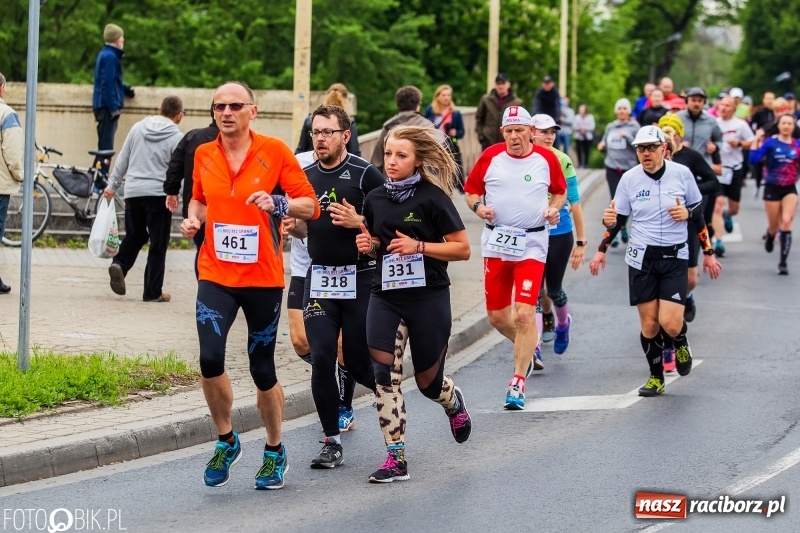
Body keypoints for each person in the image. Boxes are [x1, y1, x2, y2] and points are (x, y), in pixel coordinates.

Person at [181, 81, 320, 490]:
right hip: (215, 274)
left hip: (262, 277)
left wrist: (277, 203)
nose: (226, 112)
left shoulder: (275, 152)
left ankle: (275, 449)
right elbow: (200, 201)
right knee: (209, 358)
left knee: (262, 368)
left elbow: (310, 205)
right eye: (218, 106)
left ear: (252, 111)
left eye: (235, 105)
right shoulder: (203, 153)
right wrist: (194, 220)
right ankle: (226, 439)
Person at [356, 125, 472, 482]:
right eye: (388, 154)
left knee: (427, 383)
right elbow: (379, 241)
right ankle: (396, 458)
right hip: (386, 296)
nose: (391, 161)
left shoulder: (433, 198)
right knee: (383, 376)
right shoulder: (375, 197)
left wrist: (419, 247)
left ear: (418, 160)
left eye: (401, 155)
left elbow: (462, 248)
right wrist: (369, 245)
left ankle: (452, 401)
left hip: (429, 297)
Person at [589, 125, 721, 397]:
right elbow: (617, 217)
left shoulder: (682, 174)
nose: (645, 153)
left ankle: (681, 341)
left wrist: (707, 251)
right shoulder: (629, 179)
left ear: (664, 149)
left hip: (674, 255)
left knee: (671, 324)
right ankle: (656, 377)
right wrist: (601, 248)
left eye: (650, 147)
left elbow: (698, 212)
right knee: (649, 325)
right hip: (641, 258)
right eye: (640, 148)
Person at [285, 105, 384, 469]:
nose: (320, 138)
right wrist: (291, 226)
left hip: (360, 279)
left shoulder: (365, 175)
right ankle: (331, 441)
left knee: (359, 363)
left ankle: (390, 396)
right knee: (322, 356)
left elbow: (386, 231)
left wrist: (361, 224)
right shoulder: (304, 176)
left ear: (345, 135)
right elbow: (306, 228)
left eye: (328, 132)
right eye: (315, 132)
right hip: (320, 279)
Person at [464, 106, 566, 410]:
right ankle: (527, 345)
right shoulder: (491, 156)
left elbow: (559, 192)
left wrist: (553, 209)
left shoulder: (547, 158)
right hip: (496, 243)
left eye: (519, 130)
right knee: (497, 317)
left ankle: (518, 382)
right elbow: (470, 192)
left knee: (523, 314)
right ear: (502, 133)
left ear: (530, 131)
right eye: (508, 131)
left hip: (532, 243)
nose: (514, 137)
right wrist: (478, 209)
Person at [104, 96, 184, 302]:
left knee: (136, 234)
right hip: (160, 194)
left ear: (159, 109)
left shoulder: (137, 128)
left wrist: (112, 186)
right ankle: (152, 292)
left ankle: (120, 264)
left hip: (134, 191)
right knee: (158, 243)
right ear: (179, 116)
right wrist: (177, 193)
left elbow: (123, 158)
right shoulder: (177, 138)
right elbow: (178, 170)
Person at [658, 114, 720, 346]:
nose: (668, 138)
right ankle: (670, 326)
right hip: (661, 231)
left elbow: (713, 182)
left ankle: (687, 296)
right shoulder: (649, 162)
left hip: (689, 223)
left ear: (679, 136)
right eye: (664, 133)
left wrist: (690, 190)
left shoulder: (690, 158)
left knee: (691, 279)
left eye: (672, 133)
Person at [530, 114, 586, 355]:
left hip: (560, 233)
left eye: (552, 132)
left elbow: (574, 202)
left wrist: (582, 241)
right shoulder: (523, 158)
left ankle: (563, 324)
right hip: (531, 233)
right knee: (533, 293)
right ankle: (535, 346)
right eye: (544, 131)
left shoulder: (563, 160)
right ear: (531, 132)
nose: (549, 136)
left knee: (553, 290)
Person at [164, 107, 220, 266]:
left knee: (202, 249)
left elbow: (175, 165)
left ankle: (205, 287)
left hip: (194, 205)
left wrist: (172, 191)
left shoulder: (193, 136)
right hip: (223, 206)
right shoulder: (239, 140)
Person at [749, 114, 800, 275]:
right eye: (783, 123)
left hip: (790, 188)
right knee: (774, 227)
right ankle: (770, 235)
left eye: (789, 123)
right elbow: (753, 160)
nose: (786, 126)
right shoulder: (770, 143)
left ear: (793, 126)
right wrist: (756, 141)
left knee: (786, 222)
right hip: (772, 188)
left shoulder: (797, 144)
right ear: (779, 125)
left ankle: (783, 263)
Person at [92, 23, 134, 183]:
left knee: (103, 146)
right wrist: (113, 108)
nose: (123, 39)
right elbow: (107, 84)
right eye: (121, 37)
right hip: (107, 108)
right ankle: (99, 182)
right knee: (106, 148)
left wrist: (125, 90)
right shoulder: (110, 57)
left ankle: (96, 179)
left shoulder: (106, 55)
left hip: (102, 106)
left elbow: (112, 81)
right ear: (116, 40)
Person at [713, 96, 754, 256]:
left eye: (727, 105)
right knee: (717, 204)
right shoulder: (713, 123)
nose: (723, 108)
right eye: (722, 104)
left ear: (733, 108)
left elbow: (752, 141)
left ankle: (728, 215)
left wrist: (740, 144)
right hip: (718, 169)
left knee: (734, 208)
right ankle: (719, 241)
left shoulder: (740, 125)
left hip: (735, 168)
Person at [597, 98, 640, 247]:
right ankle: (614, 230)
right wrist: (602, 145)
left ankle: (622, 226)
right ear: (616, 111)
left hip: (629, 168)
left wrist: (626, 136)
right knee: (614, 200)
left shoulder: (634, 126)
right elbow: (605, 140)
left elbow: (638, 145)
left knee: (626, 201)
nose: (622, 111)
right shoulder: (610, 126)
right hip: (612, 167)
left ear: (628, 111)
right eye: (619, 108)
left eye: (624, 108)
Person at [370, 86, 433, 174]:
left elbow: (377, 161)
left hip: (391, 182)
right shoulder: (426, 126)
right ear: (418, 104)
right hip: (420, 182)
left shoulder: (388, 126)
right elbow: (432, 161)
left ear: (398, 104)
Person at [0, 72, 23, 294]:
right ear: (1, 88)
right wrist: (20, 175)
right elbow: (13, 153)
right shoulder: (7, 114)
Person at [296, 83, 360, 157]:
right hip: (338, 165)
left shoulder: (310, 120)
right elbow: (354, 152)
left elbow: (300, 150)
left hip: (311, 162)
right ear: (345, 99)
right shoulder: (348, 123)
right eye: (316, 133)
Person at [424, 84, 465, 184]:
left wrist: (455, 132)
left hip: (449, 146)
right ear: (437, 96)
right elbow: (424, 125)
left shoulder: (455, 113)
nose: (446, 97)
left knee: (448, 171)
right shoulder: (430, 110)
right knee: (433, 172)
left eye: (448, 95)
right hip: (433, 145)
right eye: (444, 95)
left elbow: (462, 132)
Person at [676, 87, 723, 169]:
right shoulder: (677, 118)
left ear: (704, 103)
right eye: (693, 100)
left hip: (703, 165)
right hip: (680, 164)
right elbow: (667, 140)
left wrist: (714, 147)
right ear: (687, 101)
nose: (696, 104)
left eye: (700, 101)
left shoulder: (711, 121)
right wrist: (677, 145)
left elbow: (719, 140)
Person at [475, 73, 524, 150]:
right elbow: (479, 118)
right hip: (488, 142)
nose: (501, 86)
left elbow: (523, 123)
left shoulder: (517, 103)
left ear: (508, 84)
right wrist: (481, 137)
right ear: (495, 85)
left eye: (503, 83)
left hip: (509, 142)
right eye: (498, 84)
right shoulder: (486, 100)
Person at [749, 92, 776, 194]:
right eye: (767, 98)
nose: (769, 101)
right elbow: (751, 124)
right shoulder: (759, 112)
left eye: (771, 99)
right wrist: (757, 134)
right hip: (761, 140)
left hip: (773, 141)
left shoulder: (776, 113)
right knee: (758, 162)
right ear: (763, 100)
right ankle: (758, 182)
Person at [573, 103, 595, 169]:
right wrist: (579, 128)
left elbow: (592, 126)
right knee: (579, 150)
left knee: (586, 151)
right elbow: (574, 126)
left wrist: (585, 129)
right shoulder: (577, 117)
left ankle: (586, 164)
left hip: (587, 137)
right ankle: (579, 164)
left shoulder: (590, 117)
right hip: (579, 136)